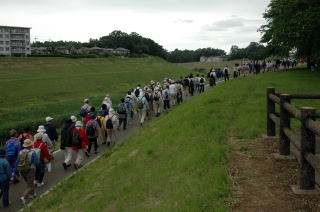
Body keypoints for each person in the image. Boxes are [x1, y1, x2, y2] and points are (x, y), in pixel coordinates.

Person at [16, 139, 40, 205]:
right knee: (30, 185)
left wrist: (17, 171)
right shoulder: (32, 152)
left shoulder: (20, 152)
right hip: (30, 170)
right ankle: (23, 197)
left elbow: (17, 162)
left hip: (22, 170)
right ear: (30, 145)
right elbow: (37, 162)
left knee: (29, 183)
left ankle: (33, 194)